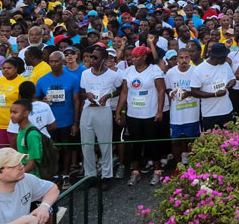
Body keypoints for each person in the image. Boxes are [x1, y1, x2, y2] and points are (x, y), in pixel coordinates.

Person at [0, 148, 59, 224]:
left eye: (20, 161)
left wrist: (44, 206)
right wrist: (24, 221)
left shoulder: (26, 179)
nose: (21, 166)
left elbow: (52, 188)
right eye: (13, 165)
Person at [115, 45, 165, 186]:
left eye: (136, 56)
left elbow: (161, 90)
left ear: (144, 57)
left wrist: (160, 110)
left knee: (153, 143)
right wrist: (119, 111)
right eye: (132, 57)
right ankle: (135, 171)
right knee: (135, 144)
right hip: (133, 114)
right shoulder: (128, 71)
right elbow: (124, 92)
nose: (133, 59)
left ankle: (157, 171)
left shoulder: (154, 70)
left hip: (150, 113)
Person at [35, 51, 80, 189]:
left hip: (67, 120)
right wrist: (42, 101)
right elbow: (36, 98)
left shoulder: (72, 78)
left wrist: (76, 122)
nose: (54, 64)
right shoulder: (42, 80)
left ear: (63, 62)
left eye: (56, 61)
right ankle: (54, 175)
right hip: (49, 123)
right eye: (51, 61)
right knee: (52, 150)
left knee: (67, 149)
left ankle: (65, 174)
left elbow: (77, 101)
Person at [79, 46, 121, 183]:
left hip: (103, 110)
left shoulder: (113, 75)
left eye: (95, 57)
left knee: (105, 144)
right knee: (87, 144)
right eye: (90, 57)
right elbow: (81, 92)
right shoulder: (85, 74)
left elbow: (120, 89)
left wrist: (109, 95)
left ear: (103, 59)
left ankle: (106, 175)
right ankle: (90, 175)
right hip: (88, 110)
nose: (91, 60)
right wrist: (87, 94)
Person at [165, 48, 200, 171]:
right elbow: (167, 89)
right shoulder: (170, 73)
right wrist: (171, 94)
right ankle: (178, 166)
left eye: (186, 57)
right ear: (177, 59)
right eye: (181, 58)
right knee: (175, 141)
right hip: (176, 114)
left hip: (192, 114)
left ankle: (192, 166)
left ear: (190, 58)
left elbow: (199, 90)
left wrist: (189, 93)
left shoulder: (196, 71)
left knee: (192, 140)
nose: (184, 60)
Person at [194, 42, 237, 131]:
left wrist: (231, 84)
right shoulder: (199, 69)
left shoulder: (225, 65)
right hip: (209, 113)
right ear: (215, 57)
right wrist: (215, 94)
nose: (226, 58)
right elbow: (194, 91)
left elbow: (232, 78)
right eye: (224, 56)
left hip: (227, 110)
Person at [0, 57, 31, 149]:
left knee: (16, 152)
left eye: (9, 68)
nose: (6, 70)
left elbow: (26, 103)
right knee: (1, 152)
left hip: (15, 125)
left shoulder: (23, 82)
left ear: (16, 69)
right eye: (4, 68)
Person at [10, 99, 44, 178]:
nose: (11, 115)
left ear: (26, 113)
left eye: (15, 112)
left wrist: (14, 177)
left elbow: (31, 165)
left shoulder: (32, 135)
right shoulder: (21, 130)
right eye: (11, 112)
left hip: (32, 178)